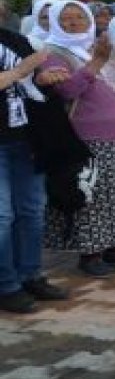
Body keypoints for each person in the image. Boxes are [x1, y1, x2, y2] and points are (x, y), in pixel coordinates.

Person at [39, 0, 115, 276]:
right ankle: (90, 254)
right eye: (66, 18)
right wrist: (97, 62)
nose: (75, 22)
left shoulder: (108, 49)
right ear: (55, 22)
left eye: (80, 16)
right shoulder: (53, 53)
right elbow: (67, 91)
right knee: (94, 197)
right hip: (88, 137)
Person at [0, 27, 70, 314]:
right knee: (2, 216)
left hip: (25, 138)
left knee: (31, 211)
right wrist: (18, 72)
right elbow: (20, 73)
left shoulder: (13, 39)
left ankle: (30, 275)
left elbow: (34, 81)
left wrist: (42, 78)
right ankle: (6, 285)